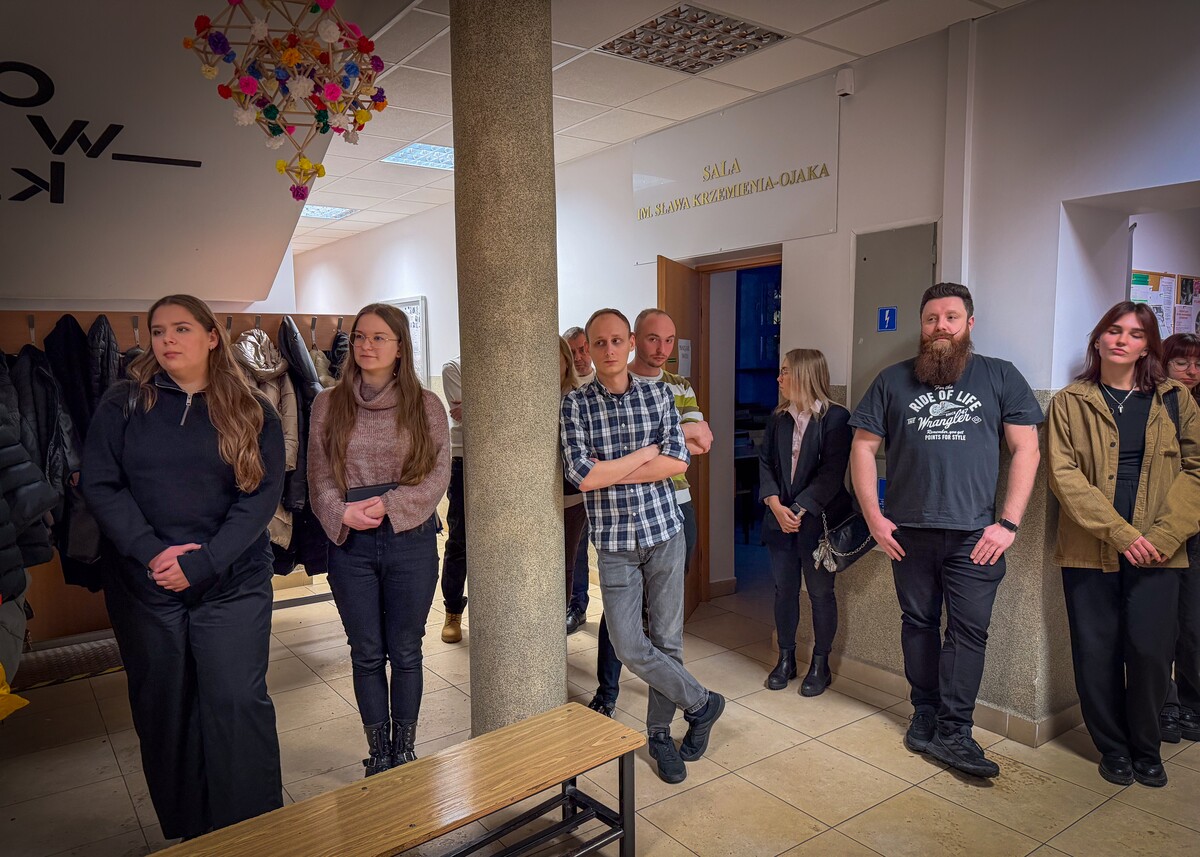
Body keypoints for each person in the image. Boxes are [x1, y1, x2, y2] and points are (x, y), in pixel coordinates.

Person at [82, 295, 286, 840]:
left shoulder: (253, 409)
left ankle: (254, 832)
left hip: (232, 578)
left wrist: (206, 562)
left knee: (236, 700)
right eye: (158, 331)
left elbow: (260, 498)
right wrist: (152, 552)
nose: (167, 339)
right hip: (145, 583)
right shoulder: (125, 403)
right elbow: (101, 484)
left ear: (212, 336)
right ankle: (192, 833)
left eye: (181, 328)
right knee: (165, 706)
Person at [849, 282, 1042, 779]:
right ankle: (925, 712)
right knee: (917, 623)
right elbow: (863, 448)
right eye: (932, 318)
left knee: (967, 632)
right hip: (907, 533)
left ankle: (955, 732)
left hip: (975, 536)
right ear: (922, 325)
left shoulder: (1000, 375)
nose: (941, 327)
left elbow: (1027, 449)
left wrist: (1008, 524)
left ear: (968, 324)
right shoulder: (892, 379)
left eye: (951, 317)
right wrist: (874, 517)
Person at [561, 308, 724, 784]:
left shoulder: (659, 395)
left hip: (664, 533)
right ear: (589, 349)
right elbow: (582, 476)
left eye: (617, 341)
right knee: (629, 644)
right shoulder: (575, 405)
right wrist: (645, 454)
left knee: (667, 641)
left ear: (629, 342)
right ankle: (702, 703)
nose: (609, 350)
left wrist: (613, 469)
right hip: (614, 543)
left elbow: (677, 462)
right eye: (599, 343)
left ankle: (659, 735)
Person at [1048, 306, 1200, 788]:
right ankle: (1112, 748)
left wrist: (1163, 536)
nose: (1121, 340)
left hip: (1161, 549)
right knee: (1096, 652)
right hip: (1089, 545)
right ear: (1098, 340)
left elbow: (1197, 470)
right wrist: (1121, 534)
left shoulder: (1175, 399)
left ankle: (1146, 747)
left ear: (1147, 346)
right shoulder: (1070, 401)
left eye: (1135, 334)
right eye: (1113, 331)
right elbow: (1063, 475)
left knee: (1152, 653)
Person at [308, 303, 451, 776]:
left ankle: (404, 748)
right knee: (366, 652)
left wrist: (391, 504)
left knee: (406, 651)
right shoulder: (327, 404)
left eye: (378, 337)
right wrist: (342, 511)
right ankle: (379, 752)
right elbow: (318, 475)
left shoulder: (426, 404)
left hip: (410, 540)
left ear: (400, 347)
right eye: (359, 336)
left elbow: (438, 474)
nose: (365, 346)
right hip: (351, 543)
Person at [588, 308, 714, 717]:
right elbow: (585, 473)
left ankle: (661, 725)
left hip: (674, 508)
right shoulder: (604, 387)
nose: (662, 348)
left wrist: (612, 469)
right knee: (619, 618)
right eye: (652, 338)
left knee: (665, 625)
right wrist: (663, 443)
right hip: (621, 520)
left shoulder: (678, 386)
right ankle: (608, 691)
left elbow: (698, 444)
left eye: (669, 339)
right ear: (634, 340)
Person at [759, 349, 852, 696]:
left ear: (804, 374)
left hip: (817, 524)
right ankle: (785, 659)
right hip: (779, 520)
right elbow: (765, 463)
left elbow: (832, 474)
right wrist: (775, 504)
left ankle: (820, 664)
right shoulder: (778, 418)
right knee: (784, 590)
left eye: (785, 371)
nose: (779, 378)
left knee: (820, 593)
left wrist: (797, 509)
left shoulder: (836, 418)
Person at [1161, 333, 1200, 744]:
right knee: (1163, 622)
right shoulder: (1163, 402)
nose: (1191, 372)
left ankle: (1192, 701)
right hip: (1163, 524)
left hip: (1195, 526)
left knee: (1192, 622)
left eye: (1198, 364)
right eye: (1182, 363)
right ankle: (1166, 703)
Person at [564, 325, 595, 632]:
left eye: (583, 349)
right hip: (572, 483)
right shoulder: (564, 389)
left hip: (604, 481)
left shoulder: (601, 384)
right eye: (572, 352)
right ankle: (576, 605)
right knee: (577, 548)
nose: (580, 356)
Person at [558, 336, 589, 606]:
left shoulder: (577, 398)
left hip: (572, 495)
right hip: (537, 496)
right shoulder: (529, 400)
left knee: (568, 560)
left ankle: (565, 611)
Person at [439, 355, 467, 643]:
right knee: (459, 540)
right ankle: (452, 611)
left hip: (502, 461)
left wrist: (471, 406)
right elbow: (461, 417)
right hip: (463, 460)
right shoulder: (453, 368)